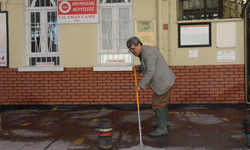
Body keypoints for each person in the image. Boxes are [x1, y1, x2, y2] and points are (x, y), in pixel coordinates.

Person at [126, 36, 176, 137]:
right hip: (164, 81)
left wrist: (140, 86)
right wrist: (139, 68)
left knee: (158, 104)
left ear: (139, 45)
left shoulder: (148, 53)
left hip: (163, 82)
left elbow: (150, 71)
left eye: (133, 48)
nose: (132, 51)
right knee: (162, 103)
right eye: (130, 50)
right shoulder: (145, 52)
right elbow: (149, 65)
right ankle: (165, 123)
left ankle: (162, 129)